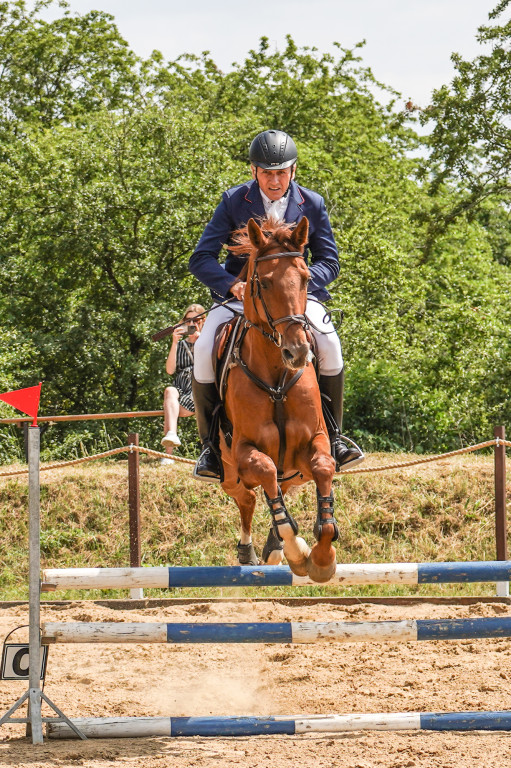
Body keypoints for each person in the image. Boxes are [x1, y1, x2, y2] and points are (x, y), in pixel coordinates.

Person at [189, 129, 364, 481]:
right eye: (267, 172)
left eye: (281, 172)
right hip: (243, 297)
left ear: (293, 171)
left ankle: (335, 437)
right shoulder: (234, 201)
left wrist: (295, 282)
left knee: (329, 343)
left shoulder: (312, 203)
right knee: (204, 349)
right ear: (254, 171)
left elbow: (330, 260)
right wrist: (232, 285)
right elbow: (201, 258)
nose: (274, 180)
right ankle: (209, 447)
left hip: (295, 299)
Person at [160, 304, 206, 466]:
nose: (192, 323)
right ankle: (171, 436)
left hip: (200, 384)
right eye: (188, 320)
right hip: (181, 385)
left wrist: (201, 341)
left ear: (203, 321)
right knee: (169, 391)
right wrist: (174, 343)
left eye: (196, 319)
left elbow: (213, 365)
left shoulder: (208, 340)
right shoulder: (180, 344)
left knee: (169, 409)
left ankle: (169, 455)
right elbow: (170, 370)